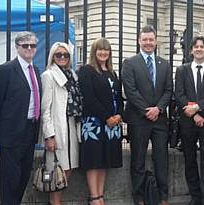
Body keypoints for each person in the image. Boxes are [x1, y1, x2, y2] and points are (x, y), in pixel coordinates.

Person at [121, 25, 174, 205]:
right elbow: (130, 90)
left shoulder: (164, 64)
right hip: (138, 119)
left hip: (159, 119)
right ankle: (139, 198)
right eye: (145, 40)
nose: (148, 43)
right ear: (139, 41)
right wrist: (146, 110)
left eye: (151, 39)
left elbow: (168, 90)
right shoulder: (130, 63)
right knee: (138, 160)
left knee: (161, 159)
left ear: (156, 41)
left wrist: (158, 109)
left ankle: (163, 197)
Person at [0, 31, 42, 205]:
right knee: (9, 179)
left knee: (24, 175)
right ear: (17, 47)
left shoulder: (36, 70)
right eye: (25, 45)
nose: (29, 48)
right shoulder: (5, 70)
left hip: (30, 129)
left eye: (32, 45)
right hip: (11, 131)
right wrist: (4, 124)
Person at [174, 36, 204, 205]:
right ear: (191, 50)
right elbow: (179, 95)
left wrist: (197, 108)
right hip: (188, 122)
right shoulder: (182, 70)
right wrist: (194, 115)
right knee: (190, 160)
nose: (199, 49)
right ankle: (195, 197)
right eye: (196, 46)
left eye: (202, 46)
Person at [77, 37, 124, 205]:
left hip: (112, 124)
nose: (103, 52)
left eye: (106, 50)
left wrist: (119, 114)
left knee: (105, 160)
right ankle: (94, 196)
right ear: (94, 52)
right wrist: (107, 117)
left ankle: (101, 194)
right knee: (94, 160)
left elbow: (118, 97)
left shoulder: (112, 73)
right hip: (94, 123)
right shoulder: (86, 71)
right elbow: (90, 98)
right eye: (100, 49)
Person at [40, 42, 82, 205]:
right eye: (59, 55)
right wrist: (49, 135)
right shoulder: (48, 75)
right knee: (57, 169)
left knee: (69, 167)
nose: (63, 57)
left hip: (71, 125)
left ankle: (57, 201)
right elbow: (45, 109)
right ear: (52, 56)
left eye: (66, 55)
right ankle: (54, 201)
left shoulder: (72, 75)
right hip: (57, 128)